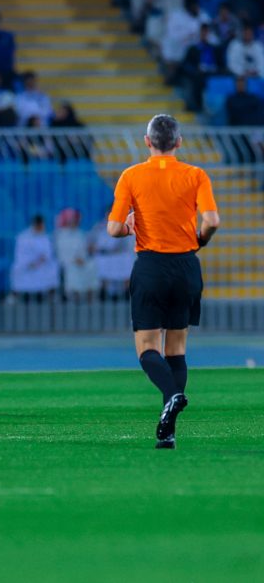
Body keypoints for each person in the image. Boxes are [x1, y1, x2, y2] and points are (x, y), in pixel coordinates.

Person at [107, 114, 220, 449]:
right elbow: (212, 220)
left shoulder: (131, 175)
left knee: (146, 348)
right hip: (186, 266)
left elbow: (114, 229)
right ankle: (167, 430)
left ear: (147, 141)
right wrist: (199, 240)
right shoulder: (195, 175)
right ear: (179, 142)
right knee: (177, 349)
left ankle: (172, 395)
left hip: (151, 266)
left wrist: (129, 227)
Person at [10, 215, 59, 300]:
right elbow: (20, 254)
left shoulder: (45, 237)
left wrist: (38, 262)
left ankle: (52, 294)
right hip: (26, 264)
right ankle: (14, 295)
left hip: (41, 264)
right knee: (17, 269)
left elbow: (47, 254)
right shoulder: (23, 237)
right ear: (36, 225)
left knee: (53, 267)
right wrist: (30, 263)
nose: (43, 227)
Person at [54, 208, 99, 302]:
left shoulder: (80, 234)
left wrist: (83, 258)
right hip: (68, 262)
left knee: (92, 266)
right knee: (72, 270)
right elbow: (62, 253)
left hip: (81, 261)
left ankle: (89, 296)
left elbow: (83, 250)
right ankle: (75, 296)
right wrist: (75, 260)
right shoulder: (61, 235)